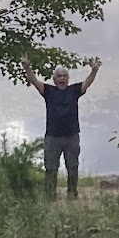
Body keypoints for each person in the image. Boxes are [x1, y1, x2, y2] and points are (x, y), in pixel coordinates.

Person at [20, 53, 101, 199]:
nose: (62, 78)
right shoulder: (48, 91)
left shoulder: (74, 90)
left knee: (72, 167)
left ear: (68, 79)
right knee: (51, 168)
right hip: (53, 136)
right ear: (55, 79)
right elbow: (34, 81)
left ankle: (72, 194)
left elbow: (87, 83)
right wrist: (27, 68)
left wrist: (94, 71)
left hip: (72, 135)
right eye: (59, 76)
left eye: (64, 76)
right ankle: (50, 196)